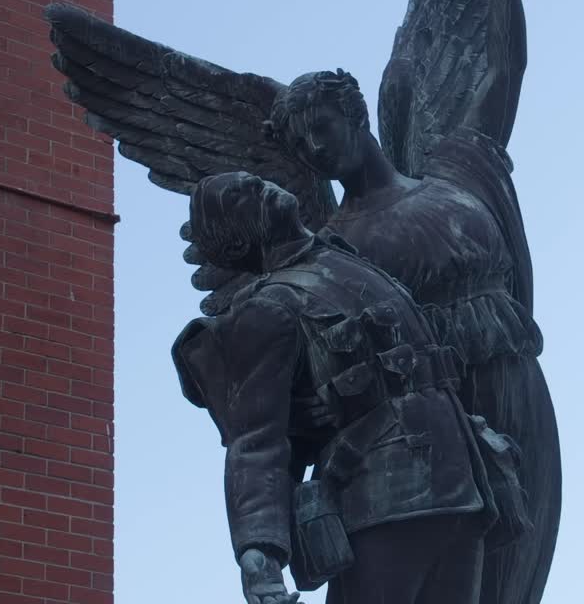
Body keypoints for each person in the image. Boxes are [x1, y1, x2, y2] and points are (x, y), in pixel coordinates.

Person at [173, 172, 514, 604]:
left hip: (459, 488)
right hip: (381, 498)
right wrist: (259, 548)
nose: (256, 183)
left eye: (253, 179)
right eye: (240, 195)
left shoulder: (347, 261)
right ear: (239, 243)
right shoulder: (267, 307)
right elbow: (258, 438)